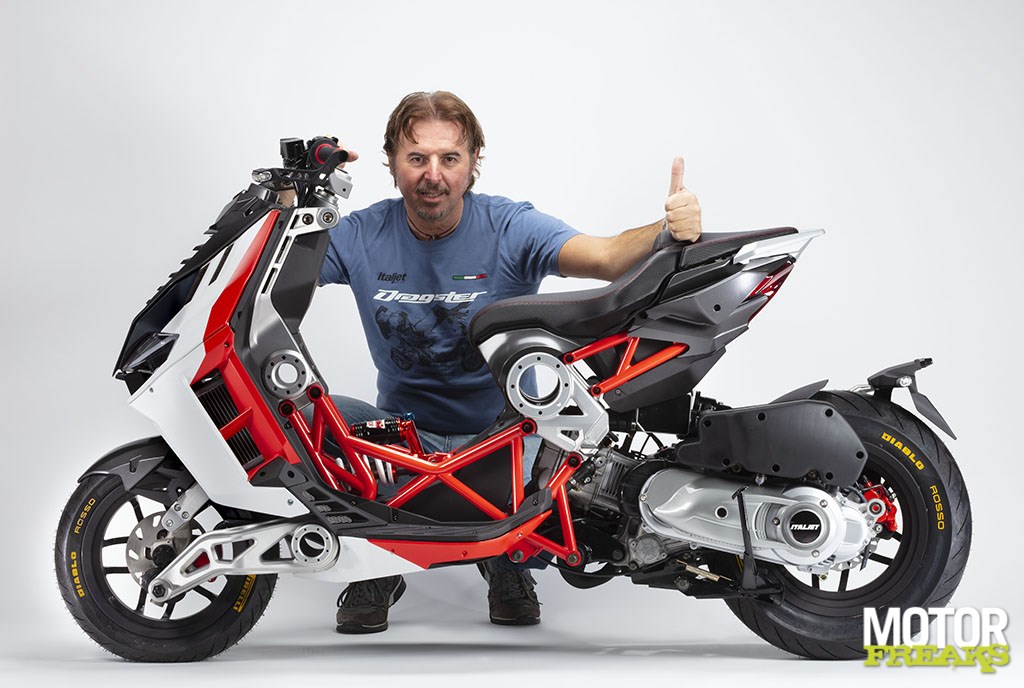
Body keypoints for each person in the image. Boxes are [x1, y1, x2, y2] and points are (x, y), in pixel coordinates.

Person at [316, 91, 702, 634]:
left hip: (504, 439)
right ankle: (377, 560)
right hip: (401, 440)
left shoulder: (509, 227)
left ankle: (508, 561)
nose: (433, 175)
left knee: (549, 460)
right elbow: (268, 267)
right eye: (417, 157)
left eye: (449, 158)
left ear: (474, 161)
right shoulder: (359, 235)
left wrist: (667, 231)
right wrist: (295, 194)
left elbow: (606, 256)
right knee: (303, 421)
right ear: (392, 163)